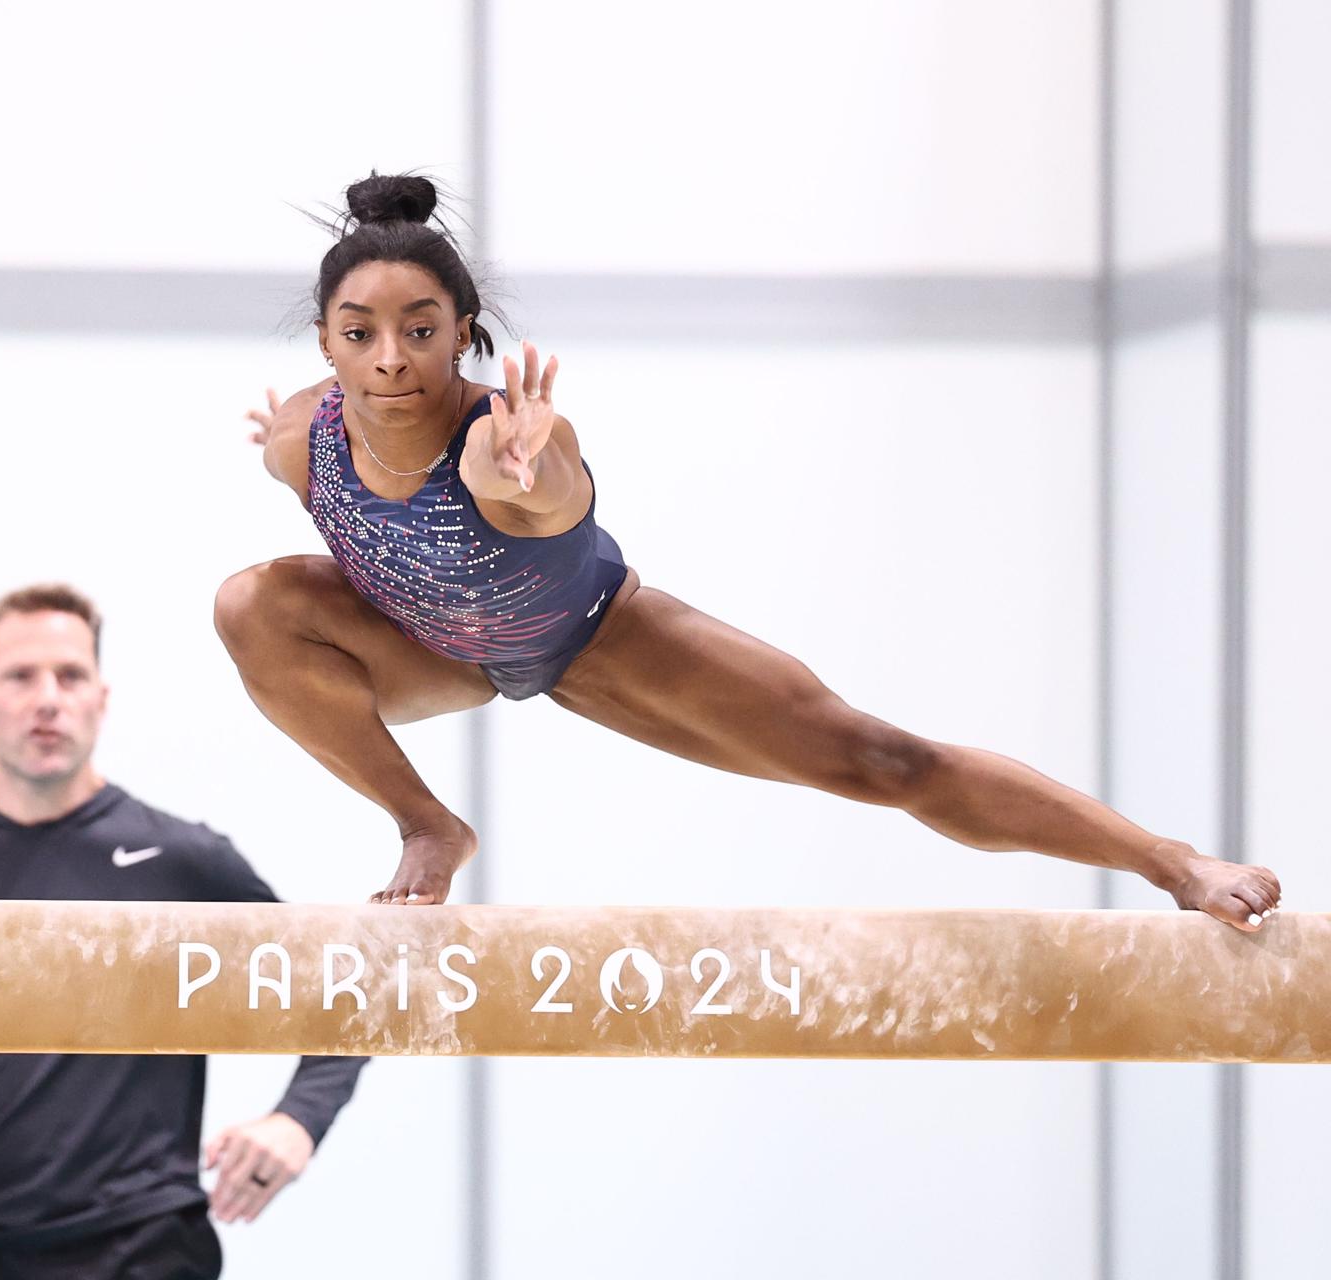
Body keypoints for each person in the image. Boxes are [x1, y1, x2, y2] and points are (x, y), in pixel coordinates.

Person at [218, 172, 1283, 926]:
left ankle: (1170, 859)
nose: (392, 356)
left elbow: (533, 494)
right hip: (440, 654)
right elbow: (327, 539)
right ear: (324, 339)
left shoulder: (508, 440)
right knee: (250, 602)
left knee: (882, 760)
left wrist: (531, 472)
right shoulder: (296, 443)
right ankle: (427, 825)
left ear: (465, 329)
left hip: (599, 639)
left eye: (421, 326)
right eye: (360, 331)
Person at [0, 584, 364, 1278]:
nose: (48, 697)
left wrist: (297, 1122)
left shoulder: (182, 862)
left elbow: (341, 994)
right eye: (21, 676)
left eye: (70, 675)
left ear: (101, 698)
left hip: (143, 1247)